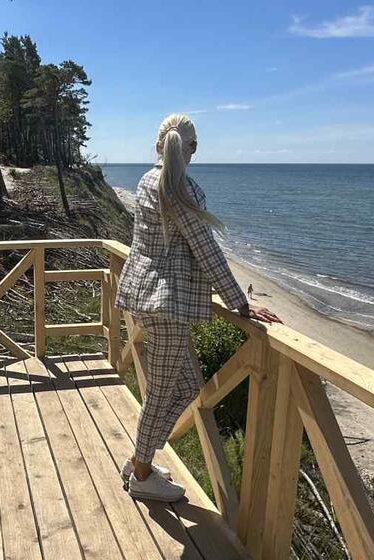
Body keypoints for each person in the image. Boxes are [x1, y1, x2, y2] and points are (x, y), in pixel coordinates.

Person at [114, 113, 281, 502]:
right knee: (161, 393)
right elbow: (206, 251)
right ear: (193, 148)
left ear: (158, 145)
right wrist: (240, 303)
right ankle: (142, 474)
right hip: (168, 304)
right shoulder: (182, 190)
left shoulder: (146, 180)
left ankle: (139, 460)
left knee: (187, 386)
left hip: (143, 297)